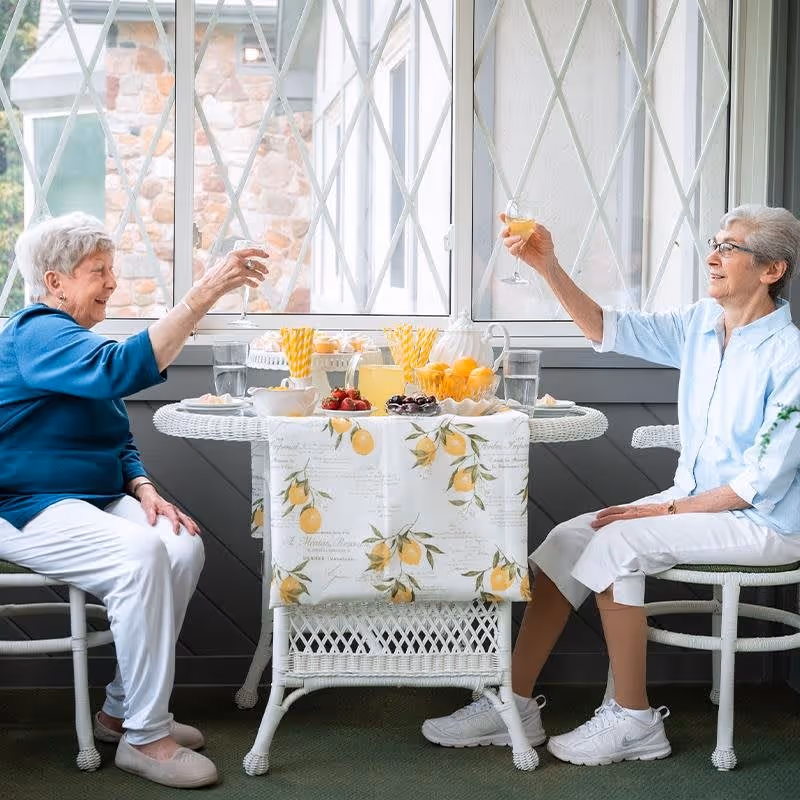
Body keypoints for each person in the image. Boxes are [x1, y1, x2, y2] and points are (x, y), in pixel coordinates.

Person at [422, 204, 800, 766]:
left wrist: (663, 514)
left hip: (764, 521)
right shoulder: (700, 324)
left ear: (772, 270)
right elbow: (606, 327)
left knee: (618, 542)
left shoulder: (789, 355)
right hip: (694, 503)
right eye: (714, 242)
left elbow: (757, 484)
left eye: (731, 247)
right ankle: (515, 703)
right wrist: (548, 266)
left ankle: (635, 719)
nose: (713, 256)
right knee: (564, 543)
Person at [0, 212, 268, 788]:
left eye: (111, 269)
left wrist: (145, 489)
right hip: (24, 504)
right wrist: (204, 292)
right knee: (141, 556)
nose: (112, 283)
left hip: (93, 498)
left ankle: (121, 712)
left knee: (178, 543)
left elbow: (117, 436)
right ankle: (147, 738)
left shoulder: (75, 344)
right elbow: (122, 369)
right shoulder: (36, 332)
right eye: (98, 271)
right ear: (55, 283)